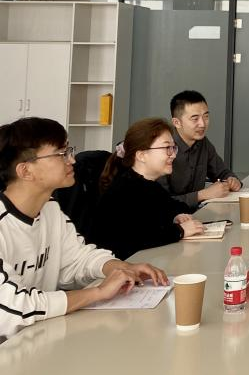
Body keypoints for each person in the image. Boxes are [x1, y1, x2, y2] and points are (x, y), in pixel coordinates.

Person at [0, 117, 168, 341]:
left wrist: (119, 267)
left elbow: (77, 258)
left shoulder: (49, 209)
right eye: (61, 154)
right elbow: (14, 308)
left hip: (35, 339)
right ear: (25, 171)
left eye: (69, 151)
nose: (72, 160)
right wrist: (97, 293)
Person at [88, 118, 205, 260]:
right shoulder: (125, 189)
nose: (173, 155)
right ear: (142, 155)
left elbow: (174, 206)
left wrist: (176, 216)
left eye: (174, 147)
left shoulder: (150, 186)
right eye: (167, 148)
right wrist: (179, 231)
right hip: (122, 266)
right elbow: (138, 236)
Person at [158, 90, 241, 209]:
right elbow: (160, 202)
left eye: (206, 116)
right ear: (177, 122)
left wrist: (232, 180)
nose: (202, 124)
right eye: (195, 118)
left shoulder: (203, 142)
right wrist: (202, 195)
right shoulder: (162, 149)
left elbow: (222, 172)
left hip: (198, 213)